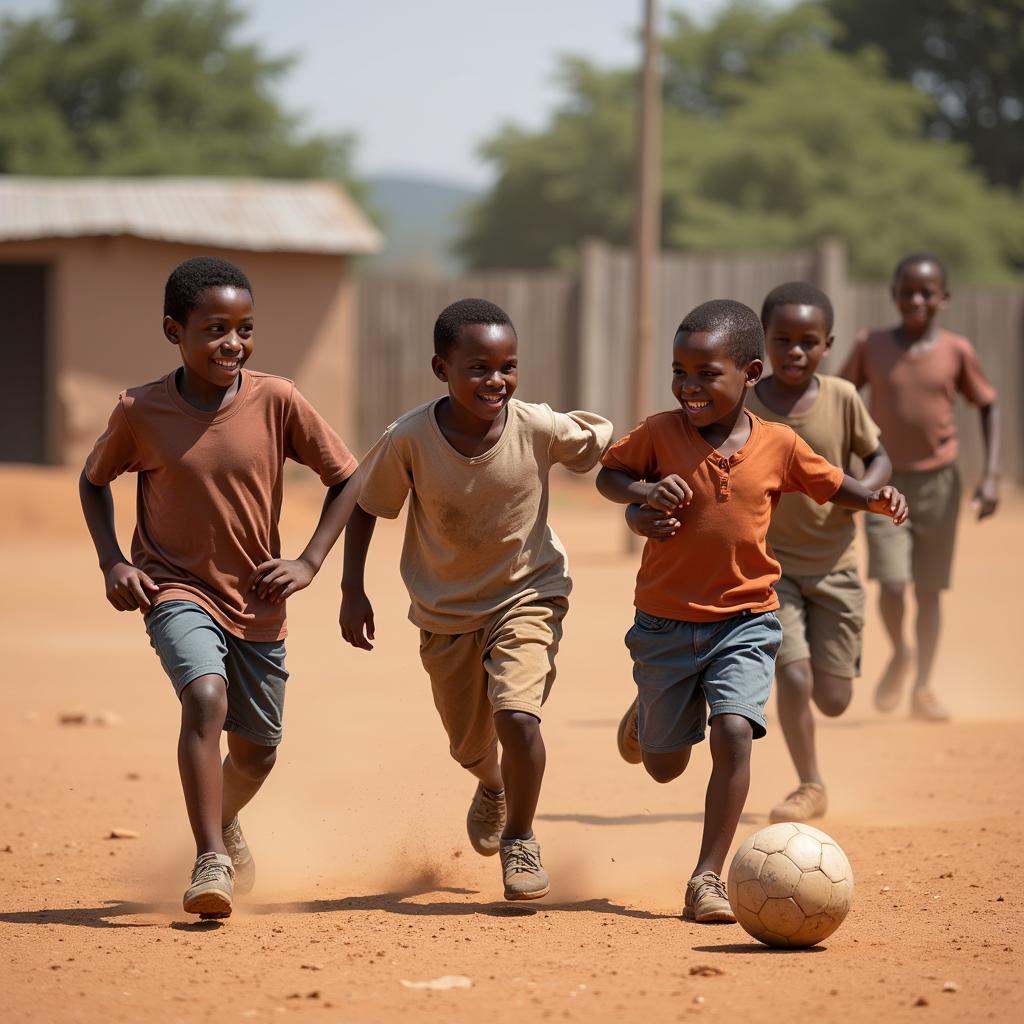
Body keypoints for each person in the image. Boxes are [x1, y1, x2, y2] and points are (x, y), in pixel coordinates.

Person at [597, 299, 906, 923]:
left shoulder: (778, 445)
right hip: (664, 621)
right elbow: (610, 475)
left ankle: (705, 877)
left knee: (735, 732)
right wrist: (642, 495)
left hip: (746, 619)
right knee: (663, 767)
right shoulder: (659, 433)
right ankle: (650, 714)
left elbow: (831, 483)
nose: (689, 385)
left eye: (707, 373)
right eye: (680, 371)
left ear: (750, 374)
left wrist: (874, 498)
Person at [79, 256, 359, 919]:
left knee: (258, 750)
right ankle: (211, 857)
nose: (233, 343)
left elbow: (347, 477)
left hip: (259, 599)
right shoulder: (141, 410)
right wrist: (113, 561)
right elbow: (94, 482)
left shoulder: (278, 400)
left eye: (244, 328)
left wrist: (311, 561)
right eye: (214, 330)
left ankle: (223, 815)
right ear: (175, 331)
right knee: (205, 698)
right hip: (175, 588)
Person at [339, 298, 612, 901]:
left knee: (517, 716)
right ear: (442, 369)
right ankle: (492, 785)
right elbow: (365, 507)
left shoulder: (536, 425)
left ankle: (520, 838)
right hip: (445, 612)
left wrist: (649, 477)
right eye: (479, 368)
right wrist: (351, 589)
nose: (497, 381)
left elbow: (602, 448)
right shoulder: (409, 438)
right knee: (470, 745)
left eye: (508, 366)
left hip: (528, 592)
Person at [745, 282, 891, 822]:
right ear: (764, 342)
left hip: (836, 567)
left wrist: (870, 493)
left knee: (833, 698)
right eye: (782, 340)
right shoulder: (748, 405)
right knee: (795, 675)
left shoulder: (843, 397)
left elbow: (878, 457)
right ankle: (810, 783)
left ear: (827, 344)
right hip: (771, 567)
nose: (795, 352)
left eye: (808, 341)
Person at [840, 252, 1000, 722]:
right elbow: (840, 397)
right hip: (884, 483)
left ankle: (924, 687)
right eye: (906, 290)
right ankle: (900, 652)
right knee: (891, 584)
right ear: (893, 295)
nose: (915, 299)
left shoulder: (957, 351)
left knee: (928, 591)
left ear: (943, 299)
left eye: (926, 292)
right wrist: (840, 473)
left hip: (941, 484)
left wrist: (990, 475)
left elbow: (989, 405)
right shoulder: (871, 345)